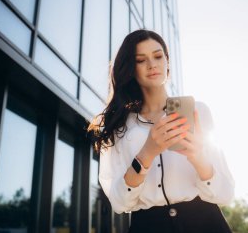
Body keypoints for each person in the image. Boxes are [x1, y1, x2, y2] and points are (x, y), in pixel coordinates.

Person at [88, 29, 234, 233]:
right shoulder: (119, 125)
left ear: (167, 62)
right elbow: (121, 203)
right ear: (131, 67)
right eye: (141, 60)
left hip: (205, 223)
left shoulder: (198, 111)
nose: (152, 64)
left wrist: (197, 157)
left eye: (158, 56)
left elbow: (225, 193)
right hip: (148, 226)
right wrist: (147, 152)